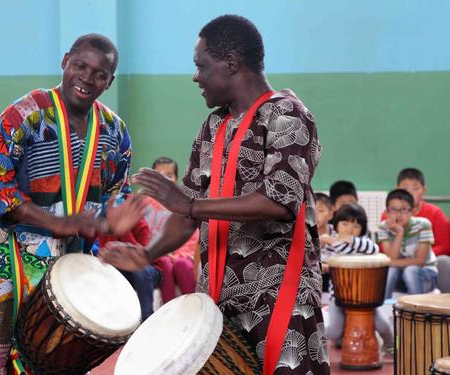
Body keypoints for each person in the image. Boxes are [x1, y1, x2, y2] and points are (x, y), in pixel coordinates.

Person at [101, 15, 329, 373]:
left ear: (231, 63)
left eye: (200, 66)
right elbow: (185, 215)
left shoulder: (286, 113)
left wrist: (190, 204)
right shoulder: (212, 126)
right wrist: (147, 253)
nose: (195, 77)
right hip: (218, 303)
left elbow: (280, 200)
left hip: (278, 298)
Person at [0, 34, 145, 374]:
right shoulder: (25, 115)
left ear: (110, 81)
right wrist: (52, 221)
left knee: (56, 361)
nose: (87, 78)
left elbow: (118, 191)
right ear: (65, 61)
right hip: (7, 258)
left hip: (71, 264)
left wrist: (115, 217)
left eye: (100, 73)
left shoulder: (115, 130)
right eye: (80, 65)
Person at [322, 203, 393, 353]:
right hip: (338, 298)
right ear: (336, 225)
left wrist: (345, 240)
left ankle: (391, 346)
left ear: (362, 229)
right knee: (334, 331)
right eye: (345, 224)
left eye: (355, 226)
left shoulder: (363, 243)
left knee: (383, 325)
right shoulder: (329, 245)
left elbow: (373, 248)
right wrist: (333, 242)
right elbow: (333, 254)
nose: (349, 229)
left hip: (366, 298)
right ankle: (313, 340)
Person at [381, 168, 450, 292]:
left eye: (415, 188)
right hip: (398, 266)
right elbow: (387, 254)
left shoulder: (432, 215)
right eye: (405, 188)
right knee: (391, 270)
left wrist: (412, 257)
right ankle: (384, 306)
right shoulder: (387, 220)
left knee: (413, 269)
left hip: (422, 266)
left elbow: (444, 246)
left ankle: (417, 307)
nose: (410, 192)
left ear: (424, 191)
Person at [144, 157, 198, 303]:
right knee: (165, 262)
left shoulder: (183, 203)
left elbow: (192, 236)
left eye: (169, 176)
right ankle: (168, 311)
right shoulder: (143, 204)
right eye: (159, 176)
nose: (164, 180)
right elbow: (141, 235)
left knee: (181, 265)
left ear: (176, 178)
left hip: (182, 257)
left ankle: (194, 308)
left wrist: (178, 255)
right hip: (157, 255)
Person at [380, 189, 437, 299]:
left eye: (404, 210)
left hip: (426, 275)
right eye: (393, 210)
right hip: (400, 278)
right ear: (386, 212)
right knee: (391, 270)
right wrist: (399, 233)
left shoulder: (423, 225)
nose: (398, 214)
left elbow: (420, 261)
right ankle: (384, 307)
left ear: (413, 211)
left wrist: (392, 262)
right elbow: (391, 257)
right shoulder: (383, 227)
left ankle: (417, 310)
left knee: (410, 270)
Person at [315, 192, 335, 293]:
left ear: (330, 214)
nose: (315, 214)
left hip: (331, 279)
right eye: (310, 210)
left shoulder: (337, 234)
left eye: (320, 210)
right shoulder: (301, 235)